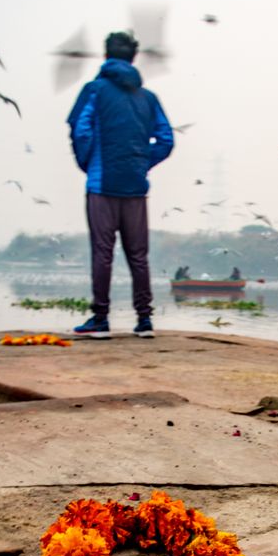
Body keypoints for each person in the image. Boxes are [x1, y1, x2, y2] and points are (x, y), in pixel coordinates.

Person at [68, 31, 174, 339]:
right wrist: (141, 163)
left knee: (103, 252)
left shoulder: (94, 90)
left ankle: (100, 320)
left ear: (106, 56)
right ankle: (144, 320)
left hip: (102, 184)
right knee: (138, 255)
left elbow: (80, 129)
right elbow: (166, 139)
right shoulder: (148, 98)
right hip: (136, 187)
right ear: (133, 58)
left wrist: (89, 163)